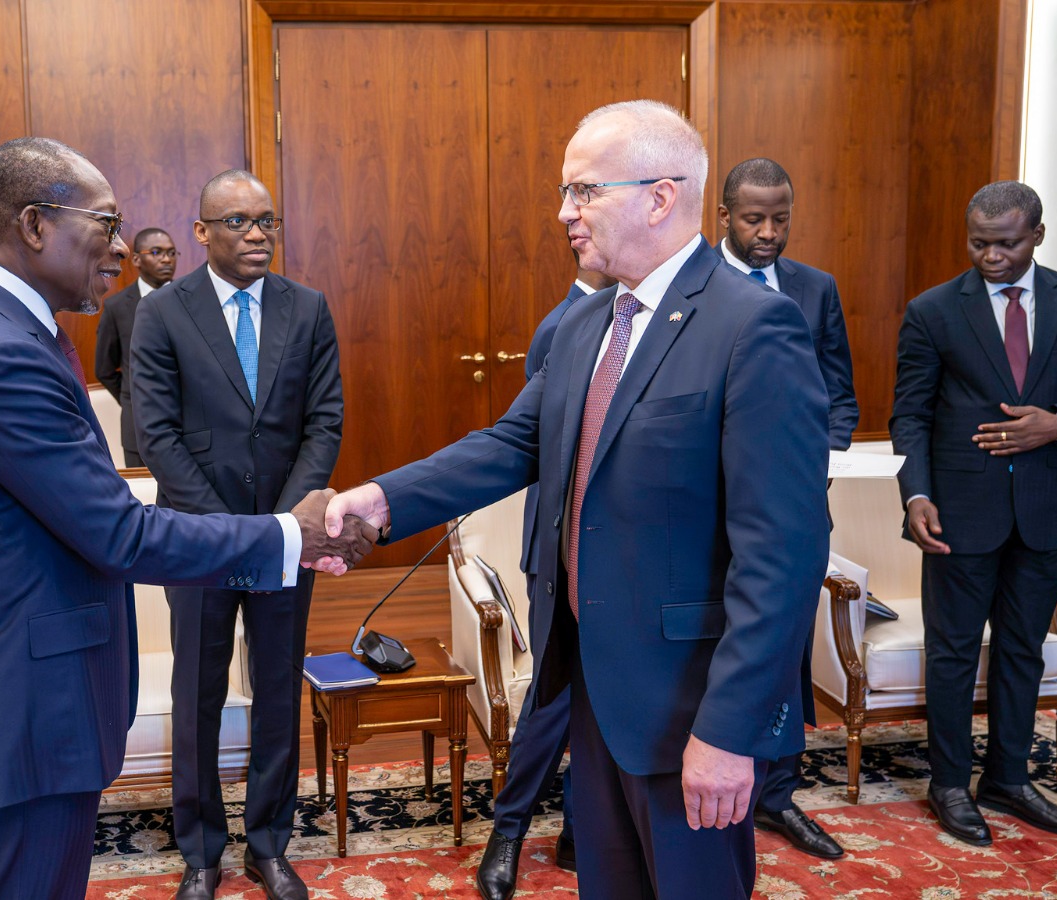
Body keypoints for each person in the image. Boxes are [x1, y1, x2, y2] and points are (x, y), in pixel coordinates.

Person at [323, 100, 829, 899]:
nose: (564, 212)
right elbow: (511, 443)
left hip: (689, 707)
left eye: (584, 191)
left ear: (660, 198)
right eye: (566, 192)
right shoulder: (587, 323)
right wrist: (382, 499)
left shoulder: (753, 328)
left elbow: (784, 557)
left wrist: (730, 732)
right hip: (592, 687)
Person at [0, 137, 377, 900]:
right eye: (107, 223)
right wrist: (293, 532)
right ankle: (203, 848)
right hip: (23, 700)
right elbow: (119, 531)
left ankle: (265, 841)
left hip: (21, 690)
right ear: (34, 225)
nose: (123, 247)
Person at [891, 180, 1057, 846]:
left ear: (1037, 236)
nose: (991, 256)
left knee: (1023, 650)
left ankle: (1008, 780)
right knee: (953, 653)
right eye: (979, 243)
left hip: (1046, 508)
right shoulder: (933, 310)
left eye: (1006, 244)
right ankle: (948, 783)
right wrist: (915, 495)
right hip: (959, 510)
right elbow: (910, 413)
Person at [131, 169, 343, 900]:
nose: (258, 234)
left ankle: (269, 844)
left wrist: (281, 526)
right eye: (238, 222)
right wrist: (229, 531)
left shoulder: (307, 308)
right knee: (198, 690)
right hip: (197, 537)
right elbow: (156, 434)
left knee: (278, 687)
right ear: (201, 232)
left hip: (288, 536)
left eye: (267, 221)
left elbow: (324, 423)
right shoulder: (164, 312)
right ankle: (200, 851)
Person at [716, 157, 856, 860]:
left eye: (781, 219)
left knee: (787, 650)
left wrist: (820, 459)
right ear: (724, 217)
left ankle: (777, 795)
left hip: (796, 512)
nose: (768, 232)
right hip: (714, 512)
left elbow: (840, 395)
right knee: (719, 648)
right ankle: (714, 784)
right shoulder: (694, 285)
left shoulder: (815, 288)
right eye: (754, 219)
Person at [476, 259, 616, 900]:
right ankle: (507, 831)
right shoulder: (562, 326)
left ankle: (580, 832)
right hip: (558, 551)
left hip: (615, 553)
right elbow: (531, 445)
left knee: (603, 697)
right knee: (554, 694)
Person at [95, 227, 179, 466]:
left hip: (191, 428)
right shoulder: (117, 307)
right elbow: (104, 370)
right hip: (138, 429)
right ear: (136, 260)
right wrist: (134, 398)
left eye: (172, 253)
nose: (166, 259)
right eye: (157, 252)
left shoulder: (192, 300)